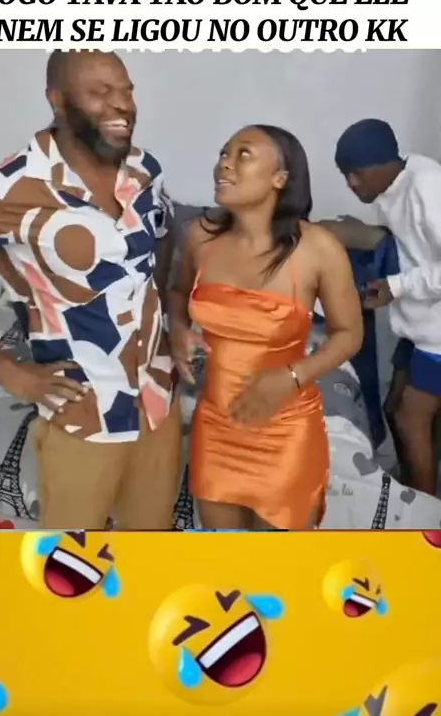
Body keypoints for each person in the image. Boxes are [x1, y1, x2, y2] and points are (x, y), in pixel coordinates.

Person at [0, 50, 181, 529]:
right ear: (57, 101)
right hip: (83, 411)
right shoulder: (7, 187)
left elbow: (164, 235)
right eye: (100, 92)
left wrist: (169, 319)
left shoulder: (144, 169)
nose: (122, 105)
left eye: (126, 91)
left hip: (157, 400)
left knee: (150, 555)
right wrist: (3, 367)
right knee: (69, 562)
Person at [170, 124, 363, 530]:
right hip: (216, 426)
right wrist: (179, 329)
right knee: (226, 558)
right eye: (224, 153)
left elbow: (349, 334)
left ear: (280, 178)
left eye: (243, 154)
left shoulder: (318, 248)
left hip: (285, 430)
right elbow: (178, 293)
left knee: (280, 563)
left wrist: (291, 376)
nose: (225, 163)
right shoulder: (200, 237)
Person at [335, 117, 441, 496]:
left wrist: (397, 286)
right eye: (346, 175)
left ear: (384, 165)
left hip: (437, 337)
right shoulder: (393, 183)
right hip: (420, 327)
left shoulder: (428, 188)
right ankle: (412, 492)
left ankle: (425, 514)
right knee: (394, 407)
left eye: (357, 174)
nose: (351, 183)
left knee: (411, 420)